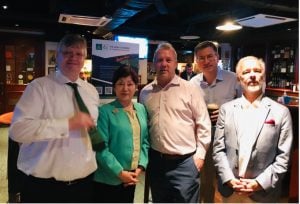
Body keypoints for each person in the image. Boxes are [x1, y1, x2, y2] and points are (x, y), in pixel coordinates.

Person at [9, 34, 100, 203]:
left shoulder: (91, 91)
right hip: (44, 188)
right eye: (67, 53)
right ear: (56, 56)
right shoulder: (38, 87)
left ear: (84, 58)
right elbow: (17, 130)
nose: (73, 57)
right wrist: (67, 124)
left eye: (78, 54)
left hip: (84, 184)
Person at [213, 56, 293, 202]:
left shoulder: (281, 112)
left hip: (263, 193)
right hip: (231, 190)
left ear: (263, 76)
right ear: (238, 78)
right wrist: (229, 179)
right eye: (246, 72)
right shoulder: (226, 110)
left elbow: (283, 157)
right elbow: (218, 149)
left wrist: (259, 183)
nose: (252, 75)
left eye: (257, 71)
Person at [140, 42, 211, 203]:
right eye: (159, 60)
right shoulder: (145, 92)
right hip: (156, 162)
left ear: (175, 63)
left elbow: (204, 124)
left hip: (185, 164)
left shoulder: (190, 89)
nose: (164, 64)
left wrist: (199, 156)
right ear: (153, 64)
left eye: (168, 60)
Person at [190, 40, 241, 203]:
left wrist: (229, 111)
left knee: (227, 178)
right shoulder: (193, 83)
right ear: (197, 61)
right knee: (204, 178)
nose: (206, 61)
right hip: (202, 135)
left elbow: (247, 106)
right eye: (201, 58)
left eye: (210, 56)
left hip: (228, 136)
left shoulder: (233, 79)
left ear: (217, 57)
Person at [93, 64, 149, 203]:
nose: (125, 88)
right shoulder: (105, 111)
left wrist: (140, 168)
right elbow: (100, 148)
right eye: (120, 84)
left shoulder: (141, 109)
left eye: (130, 84)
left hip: (131, 176)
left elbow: (145, 141)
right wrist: (120, 172)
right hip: (108, 179)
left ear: (136, 86)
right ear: (114, 87)